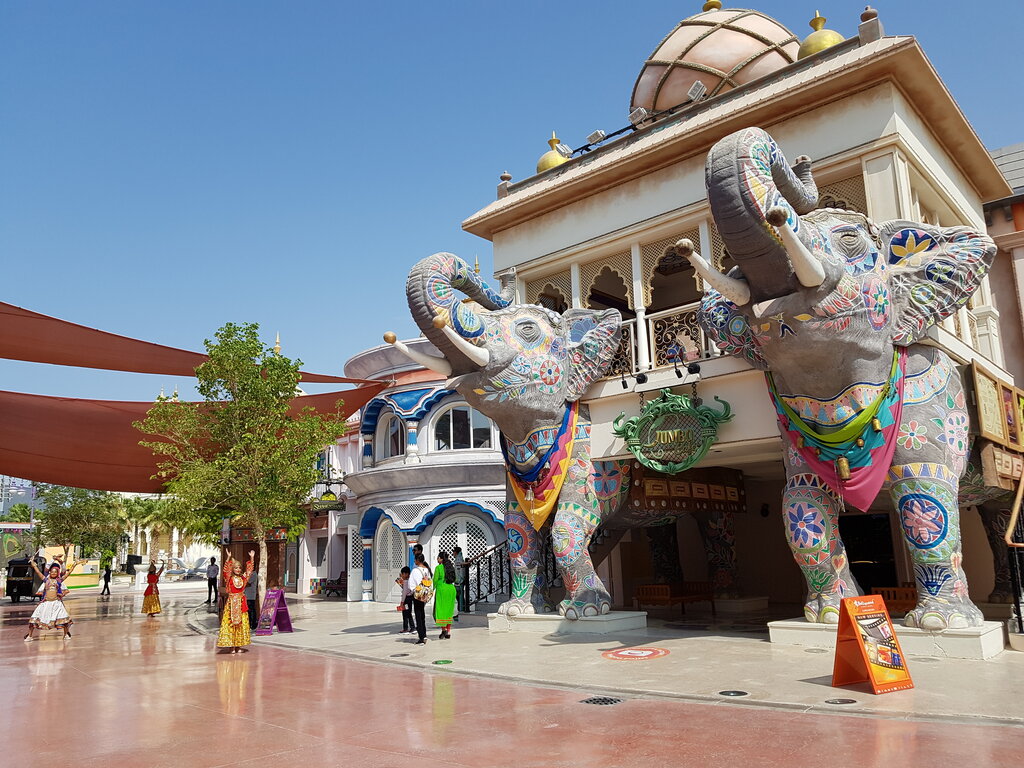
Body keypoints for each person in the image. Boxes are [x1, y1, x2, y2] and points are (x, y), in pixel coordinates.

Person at [24, 558, 84, 641]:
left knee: (64, 620)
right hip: (45, 603)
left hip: (56, 604)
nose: (53, 573)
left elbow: (68, 573)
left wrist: (74, 564)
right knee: (34, 619)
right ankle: (29, 636)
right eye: (52, 571)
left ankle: (66, 634)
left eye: (55, 572)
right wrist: (33, 564)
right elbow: (38, 572)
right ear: (49, 572)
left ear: (57, 573)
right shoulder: (45, 580)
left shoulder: (59, 581)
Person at [217, 551, 255, 653]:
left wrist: (251, 558)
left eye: (239, 568)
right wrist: (228, 557)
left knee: (240, 625)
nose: (238, 570)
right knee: (231, 624)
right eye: (236, 568)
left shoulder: (243, 579)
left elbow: (249, 571)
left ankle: (238, 646)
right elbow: (225, 570)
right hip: (231, 605)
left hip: (241, 604)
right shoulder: (229, 579)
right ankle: (231, 646)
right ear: (233, 569)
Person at [409, 553, 432, 645]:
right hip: (425, 594)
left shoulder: (415, 571)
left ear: (418, 560)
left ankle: (421, 637)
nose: (414, 561)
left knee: (418, 616)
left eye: (415, 559)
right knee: (422, 615)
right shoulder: (427, 570)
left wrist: (413, 591)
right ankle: (424, 634)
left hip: (418, 594)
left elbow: (411, 584)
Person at [433, 551, 456, 640]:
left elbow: (435, 580)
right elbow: (455, 579)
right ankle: (448, 631)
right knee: (449, 611)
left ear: (441, 559)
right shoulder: (451, 567)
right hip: (451, 589)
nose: (437, 559)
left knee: (441, 610)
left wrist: (431, 589)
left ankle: (444, 630)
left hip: (442, 590)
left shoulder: (438, 568)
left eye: (438, 557)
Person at [396, 566, 413, 634]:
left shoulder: (405, 582)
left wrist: (402, 602)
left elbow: (404, 593)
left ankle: (405, 629)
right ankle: (413, 627)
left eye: (402, 574)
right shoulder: (410, 581)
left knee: (405, 614)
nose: (401, 576)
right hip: (410, 598)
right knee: (409, 613)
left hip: (406, 600)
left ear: (406, 574)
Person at [452, 545, 465, 617]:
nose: (453, 553)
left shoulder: (458, 559)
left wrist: (459, 580)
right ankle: (461, 610)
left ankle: (461, 611)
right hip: (458, 581)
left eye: (453, 552)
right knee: (459, 597)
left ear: (456, 552)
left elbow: (460, 570)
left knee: (459, 597)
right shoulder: (459, 558)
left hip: (459, 581)